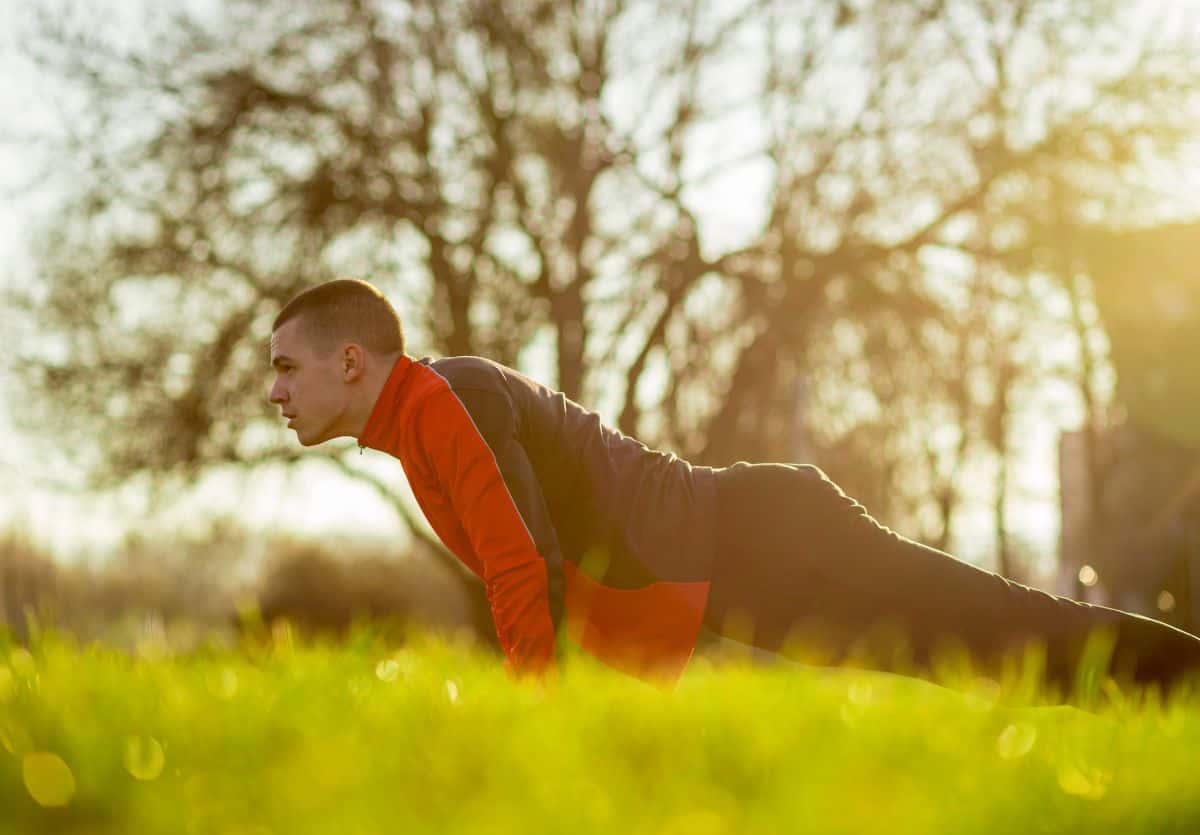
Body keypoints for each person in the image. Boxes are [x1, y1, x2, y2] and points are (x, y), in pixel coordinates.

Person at [267, 277, 1200, 700]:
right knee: (964, 651)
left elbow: (524, 567)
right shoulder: (417, 429)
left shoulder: (446, 398)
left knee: (1000, 622)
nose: (274, 393)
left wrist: (534, 719)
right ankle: (1153, 708)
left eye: (285, 369)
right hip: (741, 576)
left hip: (762, 534)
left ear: (351, 361)